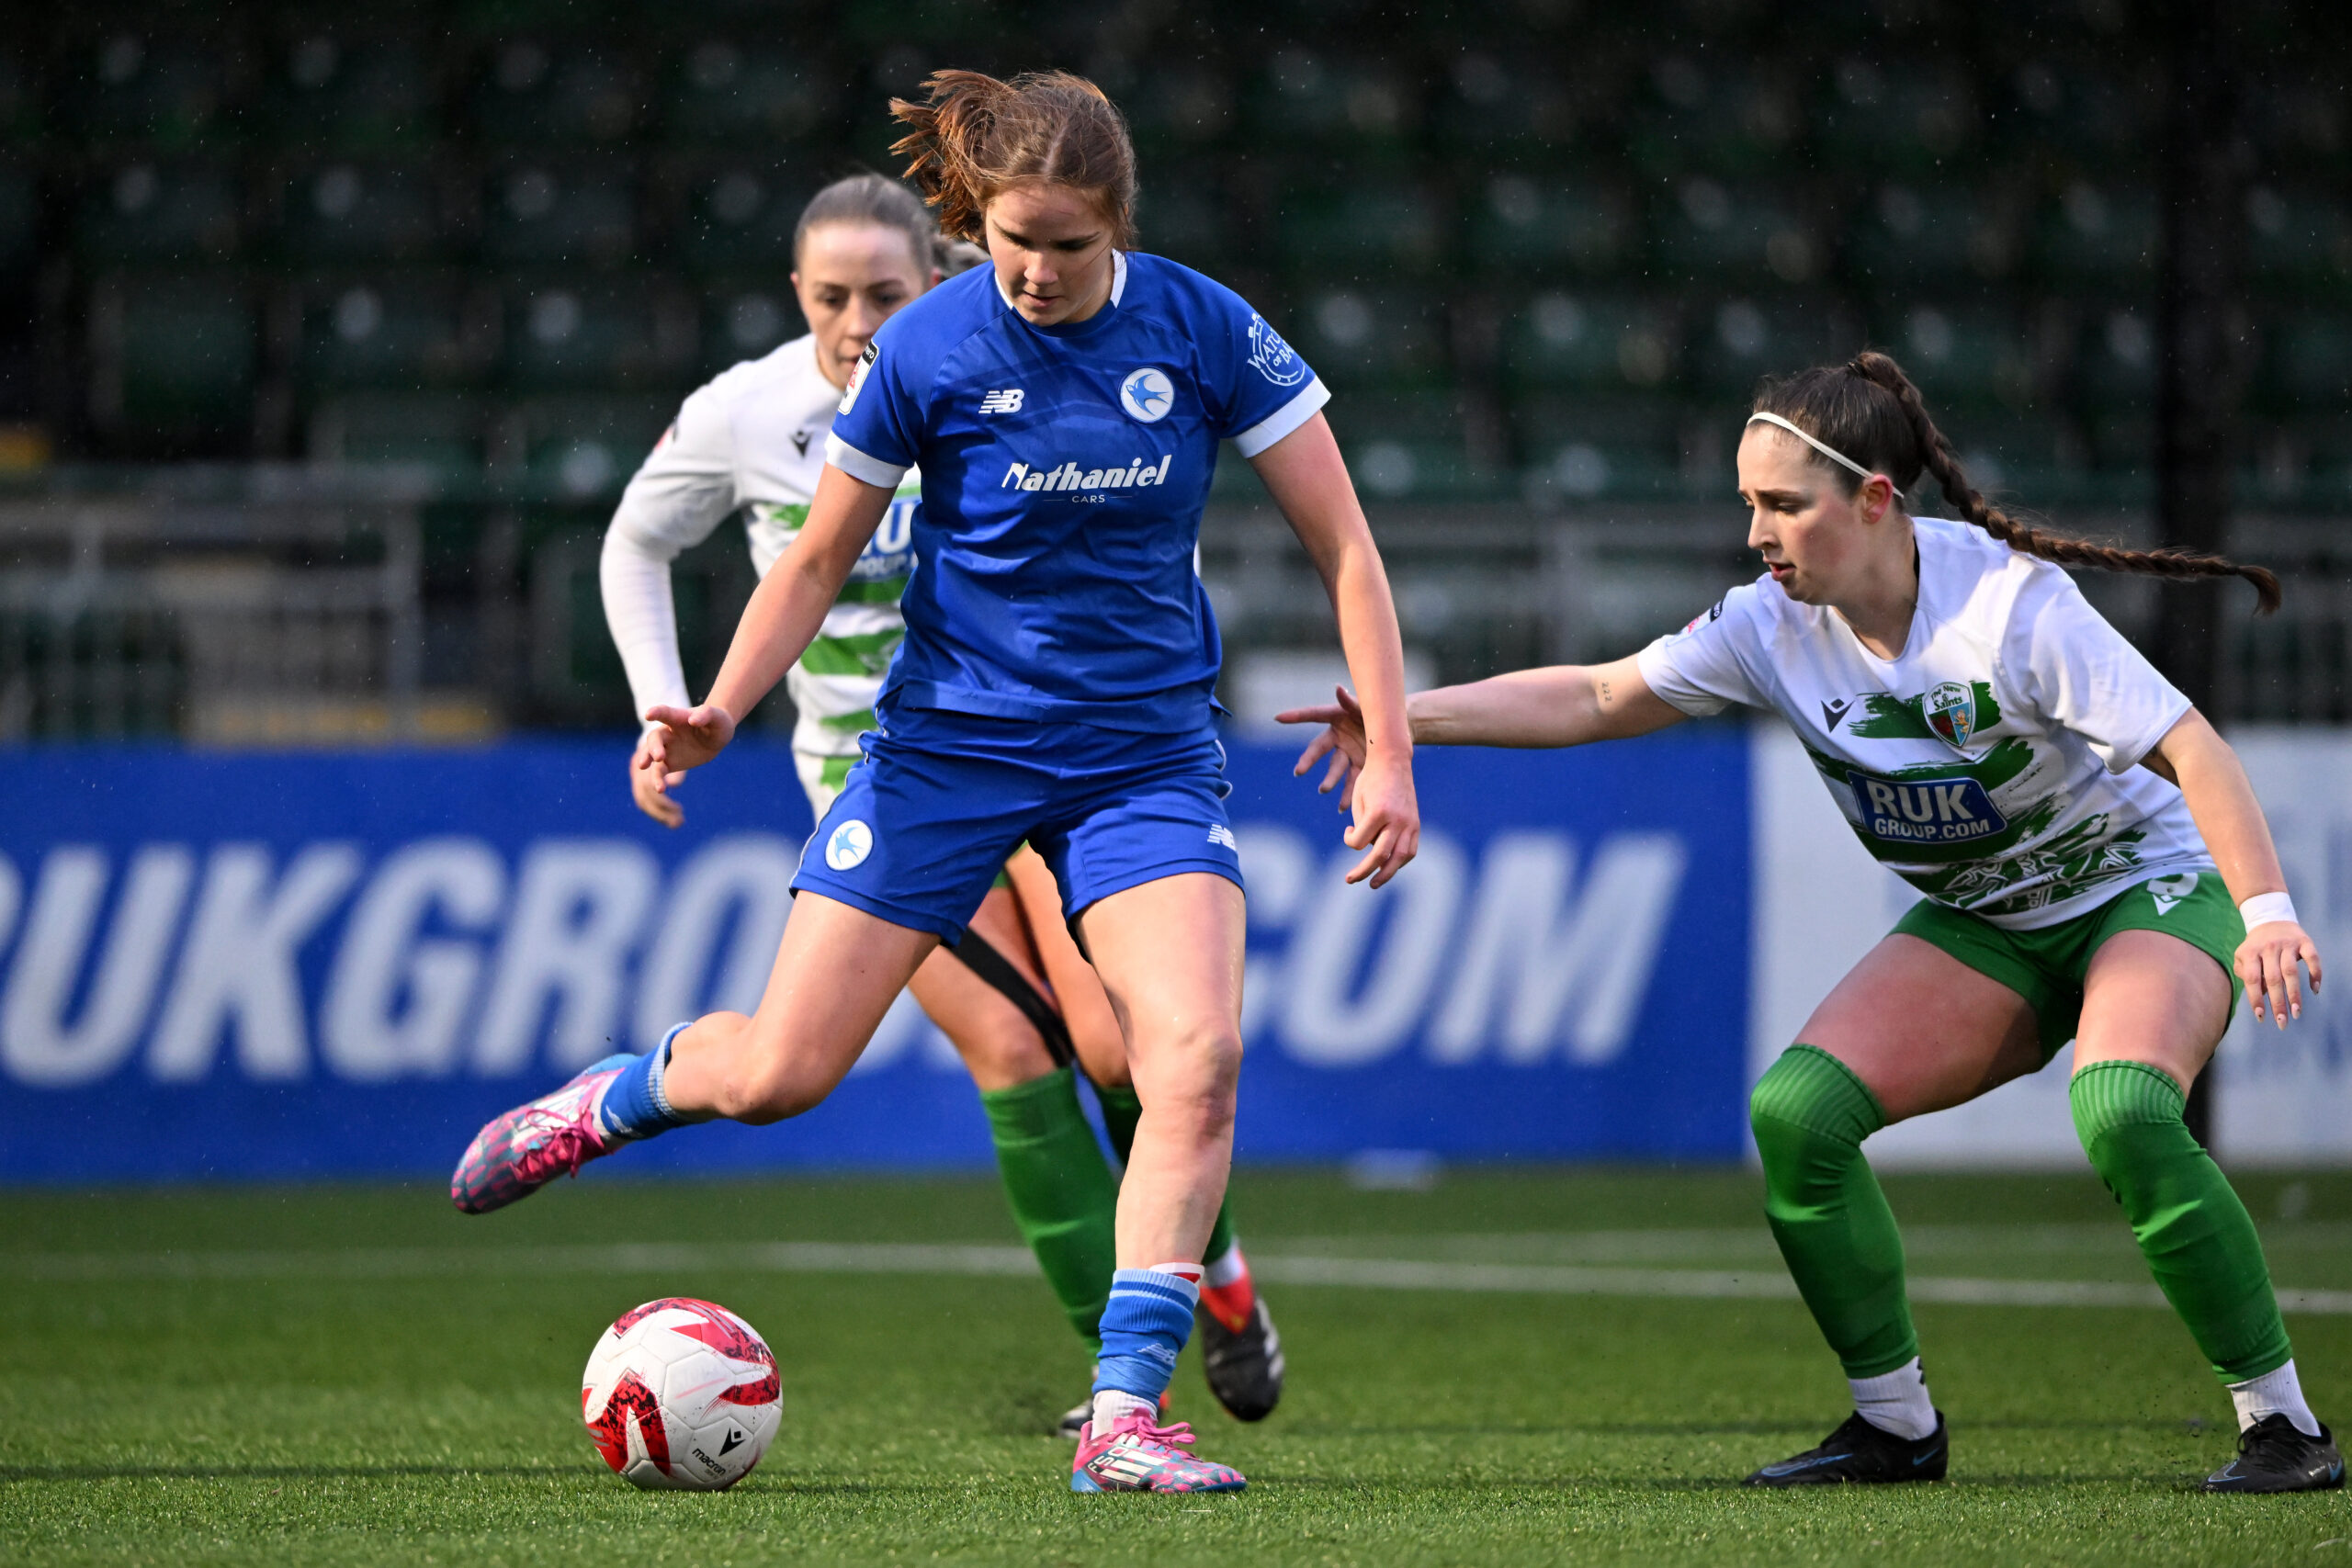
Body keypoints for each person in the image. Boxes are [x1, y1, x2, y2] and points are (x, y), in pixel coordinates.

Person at [455, 70, 1420, 1495]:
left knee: (1189, 1056)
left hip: (1143, 759)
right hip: (944, 756)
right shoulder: (929, 345)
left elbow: (1346, 548)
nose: (1036, 271)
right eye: (1013, 240)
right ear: (979, 220)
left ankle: (1124, 1417)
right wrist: (718, 706)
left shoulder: (1207, 327)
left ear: (1119, 225)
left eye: (1068, 245)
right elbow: (815, 558)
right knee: (780, 1074)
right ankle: (614, 1095)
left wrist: (1391, 747)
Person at [1283, 350, 2339, 1495]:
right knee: (1796, 1117)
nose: (1757, 534)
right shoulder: (1766, 625)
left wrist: (2266, 914)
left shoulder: (2007, 606)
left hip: (2142, 889)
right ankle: (1895, 1427)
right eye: (1748, 503)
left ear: (1874, 499)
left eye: (1783, 504)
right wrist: (1396, 722)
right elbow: (1596, 695)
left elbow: (2193, 748)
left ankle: (2283, 1428)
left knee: (2123, 1108)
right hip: (1988, 918)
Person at [584, 172, 1283, 1434]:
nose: (857, 322)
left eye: (884, 294)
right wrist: (667, 701)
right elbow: (652, 543)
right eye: (830, 297)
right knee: (1008, 1050)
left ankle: (1216, 1275)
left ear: (935, 280)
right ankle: (1123, 1384)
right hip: (905, 761)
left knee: (1127, 1046)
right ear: (795, 294)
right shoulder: (751, 411)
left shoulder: (1008, 360)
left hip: (1078, 742)